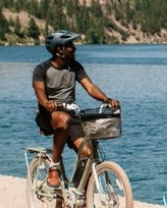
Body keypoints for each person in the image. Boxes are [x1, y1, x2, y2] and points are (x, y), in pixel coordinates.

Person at [32, 30, 119, 187]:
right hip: (48, 114)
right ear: (60, 49)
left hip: (70, 113)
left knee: (87, 153)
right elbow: (39, 91)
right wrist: (47, 103)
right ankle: (54, 166)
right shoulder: (42, 69)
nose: (75, 48)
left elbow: (90, 87)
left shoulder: (75, 67)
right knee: (63, 119)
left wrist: (107, 99)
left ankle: (83, 198)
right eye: (71, 45)